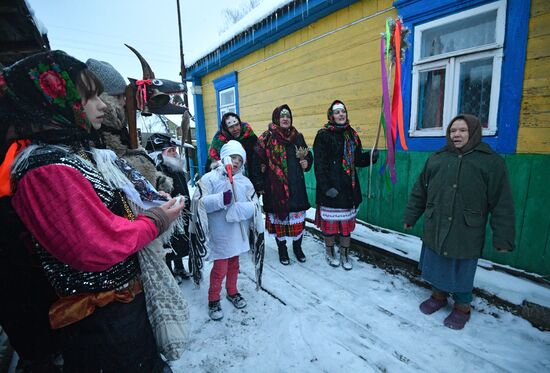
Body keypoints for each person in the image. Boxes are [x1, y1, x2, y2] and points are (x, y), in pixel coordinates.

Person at [1, 50, 185, 372]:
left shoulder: (70, 153)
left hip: (119, 312)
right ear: (57, 99)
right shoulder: (45, 168)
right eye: (90, 96)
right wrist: (157, 219)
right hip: (101, 323)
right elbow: (98, 245)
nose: (103, 105)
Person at [404, 114, 515, 330]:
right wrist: (410, 216)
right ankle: (438, 296)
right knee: (435, 263)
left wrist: (503, 237)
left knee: (462, 270)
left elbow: (502, 202)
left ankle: (462, 307)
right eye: (453, 130)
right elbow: (420, 191)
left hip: (466, 229)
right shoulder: (437, 158)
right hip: (436, 223)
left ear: (473, 132)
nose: (457, 134)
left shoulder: (490, 162)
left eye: (463, 130)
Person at [313, 100, 378, 270]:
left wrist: (370, 157)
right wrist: (327, 188)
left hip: (348, 189)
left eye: (343, 111)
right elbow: (319, 165)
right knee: (330, 227)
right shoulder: (323, 135)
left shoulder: (352, 135)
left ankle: (344, 254)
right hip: (331, 191)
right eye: (337, 112)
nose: (341, 114)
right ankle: (329, 252)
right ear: (331, 116)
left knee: (345, 229)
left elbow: (356, 160)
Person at [198, 140, 258, 320]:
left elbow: (255, 205)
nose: (236, 162)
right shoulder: (210, 178)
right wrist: (220, 199)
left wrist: (243, 209)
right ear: (224, 157)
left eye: (240, 159)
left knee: (234, 265)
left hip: (238, 233)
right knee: (220, 268)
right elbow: (200, 204)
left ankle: (232, 291)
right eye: (233, 157)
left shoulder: (245, 181)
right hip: (221, 233)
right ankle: (213, 298)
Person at [257, 104, 313, 265]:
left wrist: (307, 162)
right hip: (275, 188)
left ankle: (297, 248)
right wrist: (261, 179)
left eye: (288, 116)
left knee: (297, 222)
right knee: (280, 224)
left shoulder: (298, 137)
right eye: (282, 116)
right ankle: (282, 250)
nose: (285, 119)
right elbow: (258, 160)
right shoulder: (267, 137)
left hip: (296, 186)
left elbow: (308, 156)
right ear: (276, 118)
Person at [147, 134, 192, 282]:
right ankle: (169, 271)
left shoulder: (177, 167)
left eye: (174, 150)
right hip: (168, 211)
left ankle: (179, 267)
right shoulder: (158, 170)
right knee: (168, 240)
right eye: (170, 151)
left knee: (180, 239)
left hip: (182, 209)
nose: (174, 153)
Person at [208, 112, 263, 193]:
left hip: (250, 182)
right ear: (226, 128)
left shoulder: (249, 136)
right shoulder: (219, 140)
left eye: (237, 125)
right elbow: (212, 162)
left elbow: (257, 159)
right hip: (226, 184)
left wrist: (258, 183)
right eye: (231, 127)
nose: (235, 129)